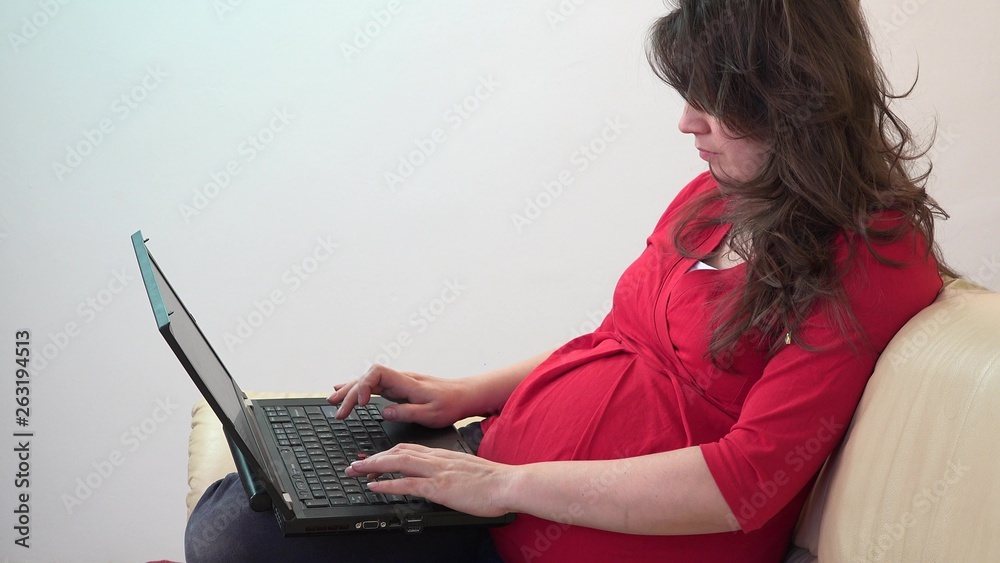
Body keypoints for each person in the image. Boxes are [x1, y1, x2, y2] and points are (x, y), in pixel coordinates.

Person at [185, 0, 955, 561]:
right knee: (254, 485)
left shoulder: (869, 255)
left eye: (716, 105)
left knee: (237, 538)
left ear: (797, 102)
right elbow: (618, 338)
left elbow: (745, 481)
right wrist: (465, 393)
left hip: (550, 528)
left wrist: (504, 487)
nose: (688, 122)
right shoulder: (720, 196)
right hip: (501, 471)